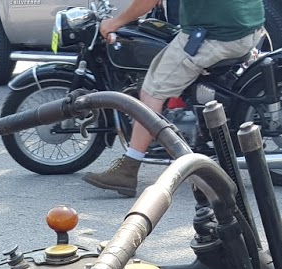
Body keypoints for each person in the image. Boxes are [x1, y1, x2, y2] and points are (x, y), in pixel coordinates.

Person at [81, 0, 262, 195]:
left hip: (217, 35)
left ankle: (128, 169)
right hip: (248, 26)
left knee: (152, 91)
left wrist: (116, 22)